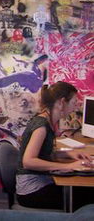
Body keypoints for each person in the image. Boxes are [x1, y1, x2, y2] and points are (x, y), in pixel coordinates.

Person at [16, 82, 94, 210]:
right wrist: (68, 166)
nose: (75, 107)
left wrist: (69, 154)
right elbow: (28, 162)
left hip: (41, 182)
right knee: (88, 196)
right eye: (74, 102)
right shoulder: (41, 126)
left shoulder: (47, 120)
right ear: (62, 102)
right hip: (32, 191)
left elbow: (44, 152)